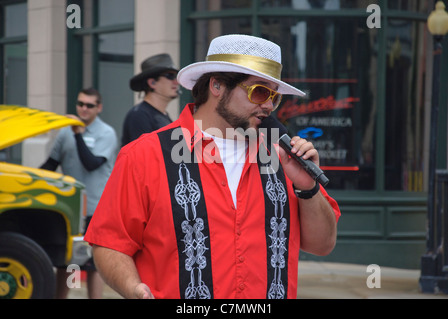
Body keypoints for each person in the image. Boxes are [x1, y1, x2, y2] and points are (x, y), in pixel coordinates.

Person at [84, 34, 340, 299]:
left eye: (274, 97)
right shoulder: (144, 155)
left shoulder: (282, 157)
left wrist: (308, 188)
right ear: (217, 85)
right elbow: (109, 243)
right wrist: (133, 288)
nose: (267, 106)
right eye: (260, 91)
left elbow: (322, 245)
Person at [40, 88, 118, 299]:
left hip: (95, 208)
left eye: (89, 105)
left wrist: (78, 134)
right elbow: (49, 165)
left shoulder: (106, 133)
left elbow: (91, 163)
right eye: (80, 104)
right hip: (69, 210)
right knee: (69, 261)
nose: (84, 109)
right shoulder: (66, 131)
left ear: (99, 108)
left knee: (93, 264)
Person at [121, 53, 179, 146]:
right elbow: (142, 156)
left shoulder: (163, 116)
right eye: (170, 76)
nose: (176, 82)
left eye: (176, 76)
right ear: (152, 83)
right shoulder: (139, 115)